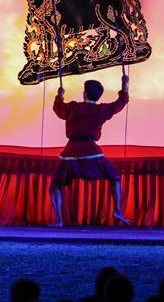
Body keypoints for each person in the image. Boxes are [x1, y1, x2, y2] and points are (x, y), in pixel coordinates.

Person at [50, 74, 131, 226]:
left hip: (70, 152)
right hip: (91, 152)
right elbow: (121, 102)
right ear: (98, 95)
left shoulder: (73, 107)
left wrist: (59, 95)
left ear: (85, 94)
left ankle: (59, 220)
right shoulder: (101, 110)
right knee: (115, 177)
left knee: (55, 186)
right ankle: (118, 210)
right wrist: (124, 85)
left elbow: (58, 108)